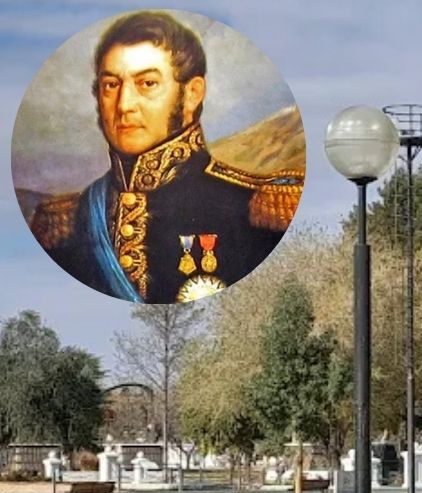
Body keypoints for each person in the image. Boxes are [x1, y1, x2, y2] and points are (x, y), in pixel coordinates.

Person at [28, 11, 302, 303]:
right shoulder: (64, 223)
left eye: (147, 84)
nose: (124, 105)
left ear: (192, 93)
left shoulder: (259, 208)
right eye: (111, 85)